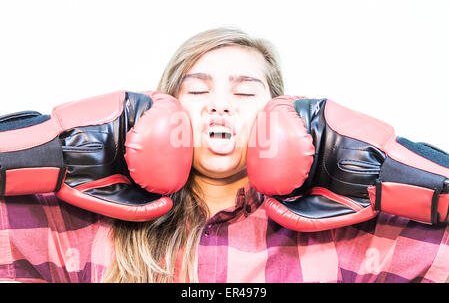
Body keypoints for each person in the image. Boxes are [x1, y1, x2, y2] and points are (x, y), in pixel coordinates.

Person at [0, 27, 448, 283]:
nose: (219, 104)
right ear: (162, 110)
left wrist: (388, 164)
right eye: (196, 90)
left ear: (284, 116)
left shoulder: (355, 233)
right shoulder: (80, 225)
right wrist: (49, 143)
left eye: (245, 90)